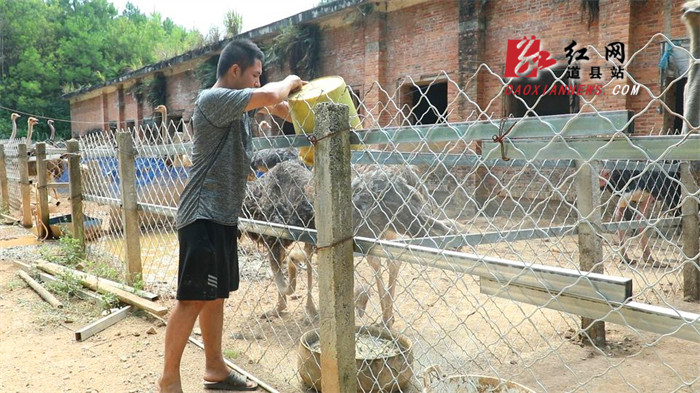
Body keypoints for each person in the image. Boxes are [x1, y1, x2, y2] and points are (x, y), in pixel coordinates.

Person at [158, 39, 305, 392]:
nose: (258, 82)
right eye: (255, 75)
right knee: (192, 298)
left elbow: (278, 107)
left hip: (222, 217)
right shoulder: (214, 100)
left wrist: (306, 111)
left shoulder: (236, 106)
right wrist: (292, 80)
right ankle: (168, 380)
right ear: (235, 71)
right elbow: (271, 97)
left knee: (215, 294)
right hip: (202, 215)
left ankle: (215, 369)